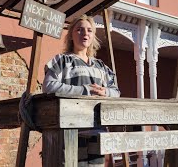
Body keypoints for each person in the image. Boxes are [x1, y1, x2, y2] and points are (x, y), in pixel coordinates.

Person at [42, 14, 120, 166]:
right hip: (70, 134)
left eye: (89, 30)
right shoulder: (61, 61)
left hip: (97, 133)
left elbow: (116, 91)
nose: (85, 34)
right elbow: (49, 86)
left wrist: (106, 92)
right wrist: (84, 90)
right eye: (79, 30)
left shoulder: (101, 66)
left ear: (93, 36)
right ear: (71, 35)